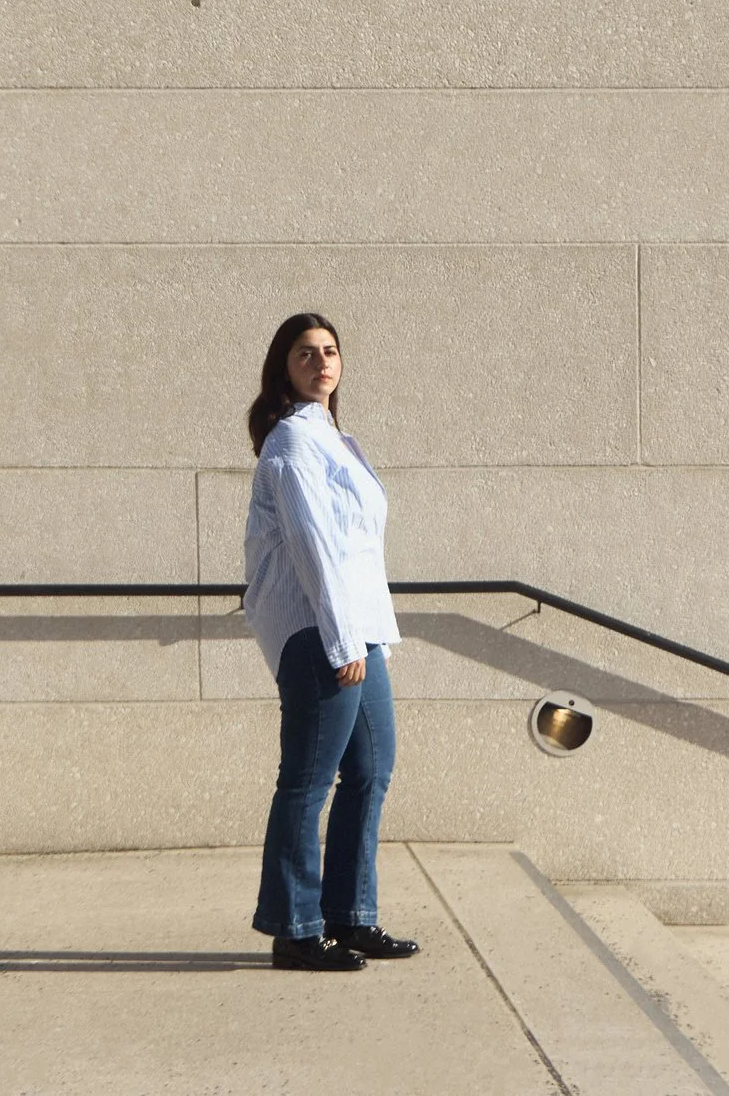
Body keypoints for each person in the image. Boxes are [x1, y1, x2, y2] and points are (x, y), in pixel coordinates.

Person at [242, 312, 420, 972]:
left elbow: (359, 552)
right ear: (283, 369)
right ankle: (294, 928)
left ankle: (350, 916)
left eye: (330, 351)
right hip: (322, 633)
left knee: (370, 772)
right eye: (305, 354)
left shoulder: (336, 440)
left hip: (360, 632)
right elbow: (311, 545)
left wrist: (371, 638)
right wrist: (344, 640)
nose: (322, 362)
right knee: (308, 782)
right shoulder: (292, 441)